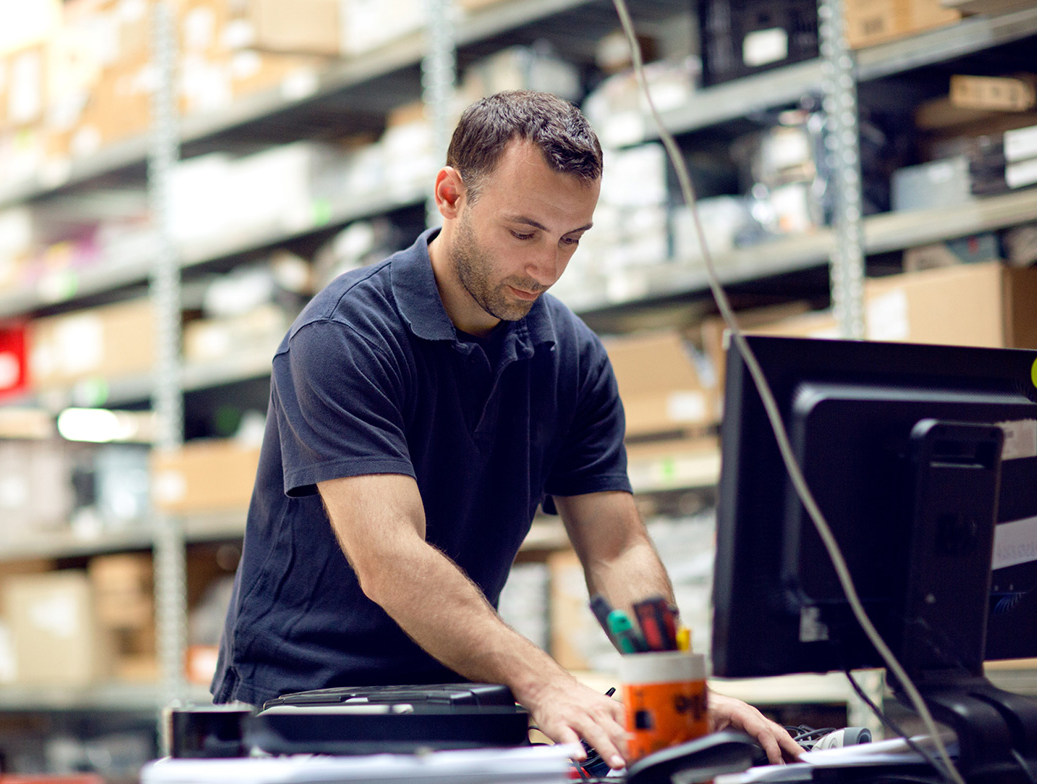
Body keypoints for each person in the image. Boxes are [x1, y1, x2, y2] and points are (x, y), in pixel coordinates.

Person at [212, 90, 803, 768]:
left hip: (460, 700)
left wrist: (671, 690)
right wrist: (544, 683)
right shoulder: (343, 335)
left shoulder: (571, 357)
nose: (546, 269)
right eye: (523, 233)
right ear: (450, 195)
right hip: (301, 713)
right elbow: (389, 559)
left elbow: (615, 551)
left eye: (570, 240)